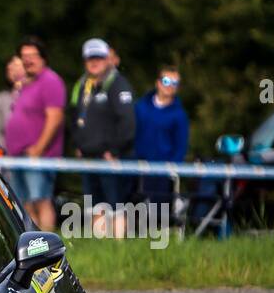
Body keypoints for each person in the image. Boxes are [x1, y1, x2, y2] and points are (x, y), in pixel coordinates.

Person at [70, 37, 137, 237]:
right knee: (94, 205)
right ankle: (101, 245)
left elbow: (128, 122)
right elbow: (73, 116)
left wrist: (115, 150)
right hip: (89, 157)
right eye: (90, 58)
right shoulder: (83, 85)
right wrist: (79, 144)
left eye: (98, 57)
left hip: (111, 158)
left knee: (115, 204)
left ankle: (118, 248)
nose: (94, 61)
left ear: (107, 59)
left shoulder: (118, 84)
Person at [4, 37, 66, 230]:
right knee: (25, 204)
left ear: (43, 57)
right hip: (18, 156)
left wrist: (39, 148)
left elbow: (55, 117)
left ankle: (49, 246)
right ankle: (34, 245)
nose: (28, 60)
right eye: (24, 56)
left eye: (32, 55)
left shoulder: (50, 80)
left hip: (39, 156)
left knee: (41, 200)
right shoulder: (25, 83)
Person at [133, 65, 190, 207]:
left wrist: (171, 169)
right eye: (166, 81)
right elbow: (129, 135)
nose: (170, 86)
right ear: (158, 83)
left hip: (162, 174)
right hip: (136, 169)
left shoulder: (180, 115)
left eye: (175, 83)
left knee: (158, 218)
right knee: (132, 213)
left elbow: (181, 147)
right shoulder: (140, 107)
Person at [0, 55, 25, 153]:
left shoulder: (39, 95)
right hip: (8, 157)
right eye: (10, 68)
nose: (14, 70)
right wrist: (10, 148)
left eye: (18, 66)